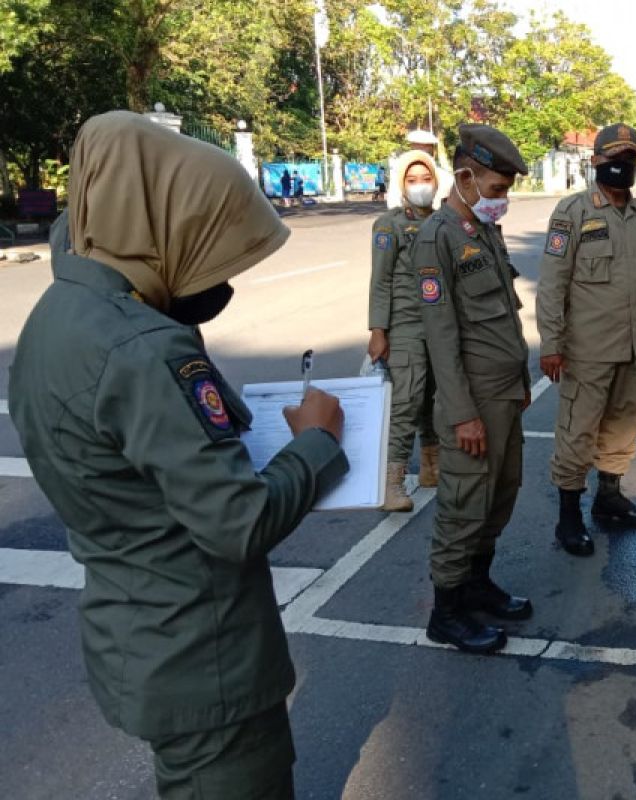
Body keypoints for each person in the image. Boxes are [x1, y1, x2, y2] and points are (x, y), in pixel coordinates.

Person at [9, 111, 350, 798]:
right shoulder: (142, 348)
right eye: (203, 243)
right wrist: (318, 441)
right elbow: (237, 522)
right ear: (157, 223)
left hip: (136, 631)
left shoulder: (55, 319)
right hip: (206, 657)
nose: (216, 274)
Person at [537, 123, 636, 557]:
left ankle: (609, 498)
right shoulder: (573, 212)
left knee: (623, 427)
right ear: (597, 162)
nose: (623, 165)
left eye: (630, 158)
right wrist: (551, 342)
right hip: (587, 350)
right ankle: (568, 519)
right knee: (577, 433)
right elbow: (552, 283)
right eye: (615, 158)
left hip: (633, 348)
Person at [414, 124, 533, 653]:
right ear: (464, 177)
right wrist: (463, 414)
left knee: (498, 497)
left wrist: (522, 382)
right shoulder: (436, 238)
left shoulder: (483, 232)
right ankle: (448, 610)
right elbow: (441, 337)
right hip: (473, 400)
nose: (501, 200)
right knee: (464, 503)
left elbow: (504, 317)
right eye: (496, 188)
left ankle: (477, 585)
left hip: (504, 394)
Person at [368, 149, 442, 511]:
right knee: (407, 401)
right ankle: (391, 484)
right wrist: (378, 330)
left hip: (439, 325)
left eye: (425, 179)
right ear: (401, 185)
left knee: (434, 398)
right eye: (412, 180)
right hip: (406, 325)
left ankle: (432, 467)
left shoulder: (445, 221)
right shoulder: (389, 225)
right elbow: (380, 281)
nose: (420, 186)